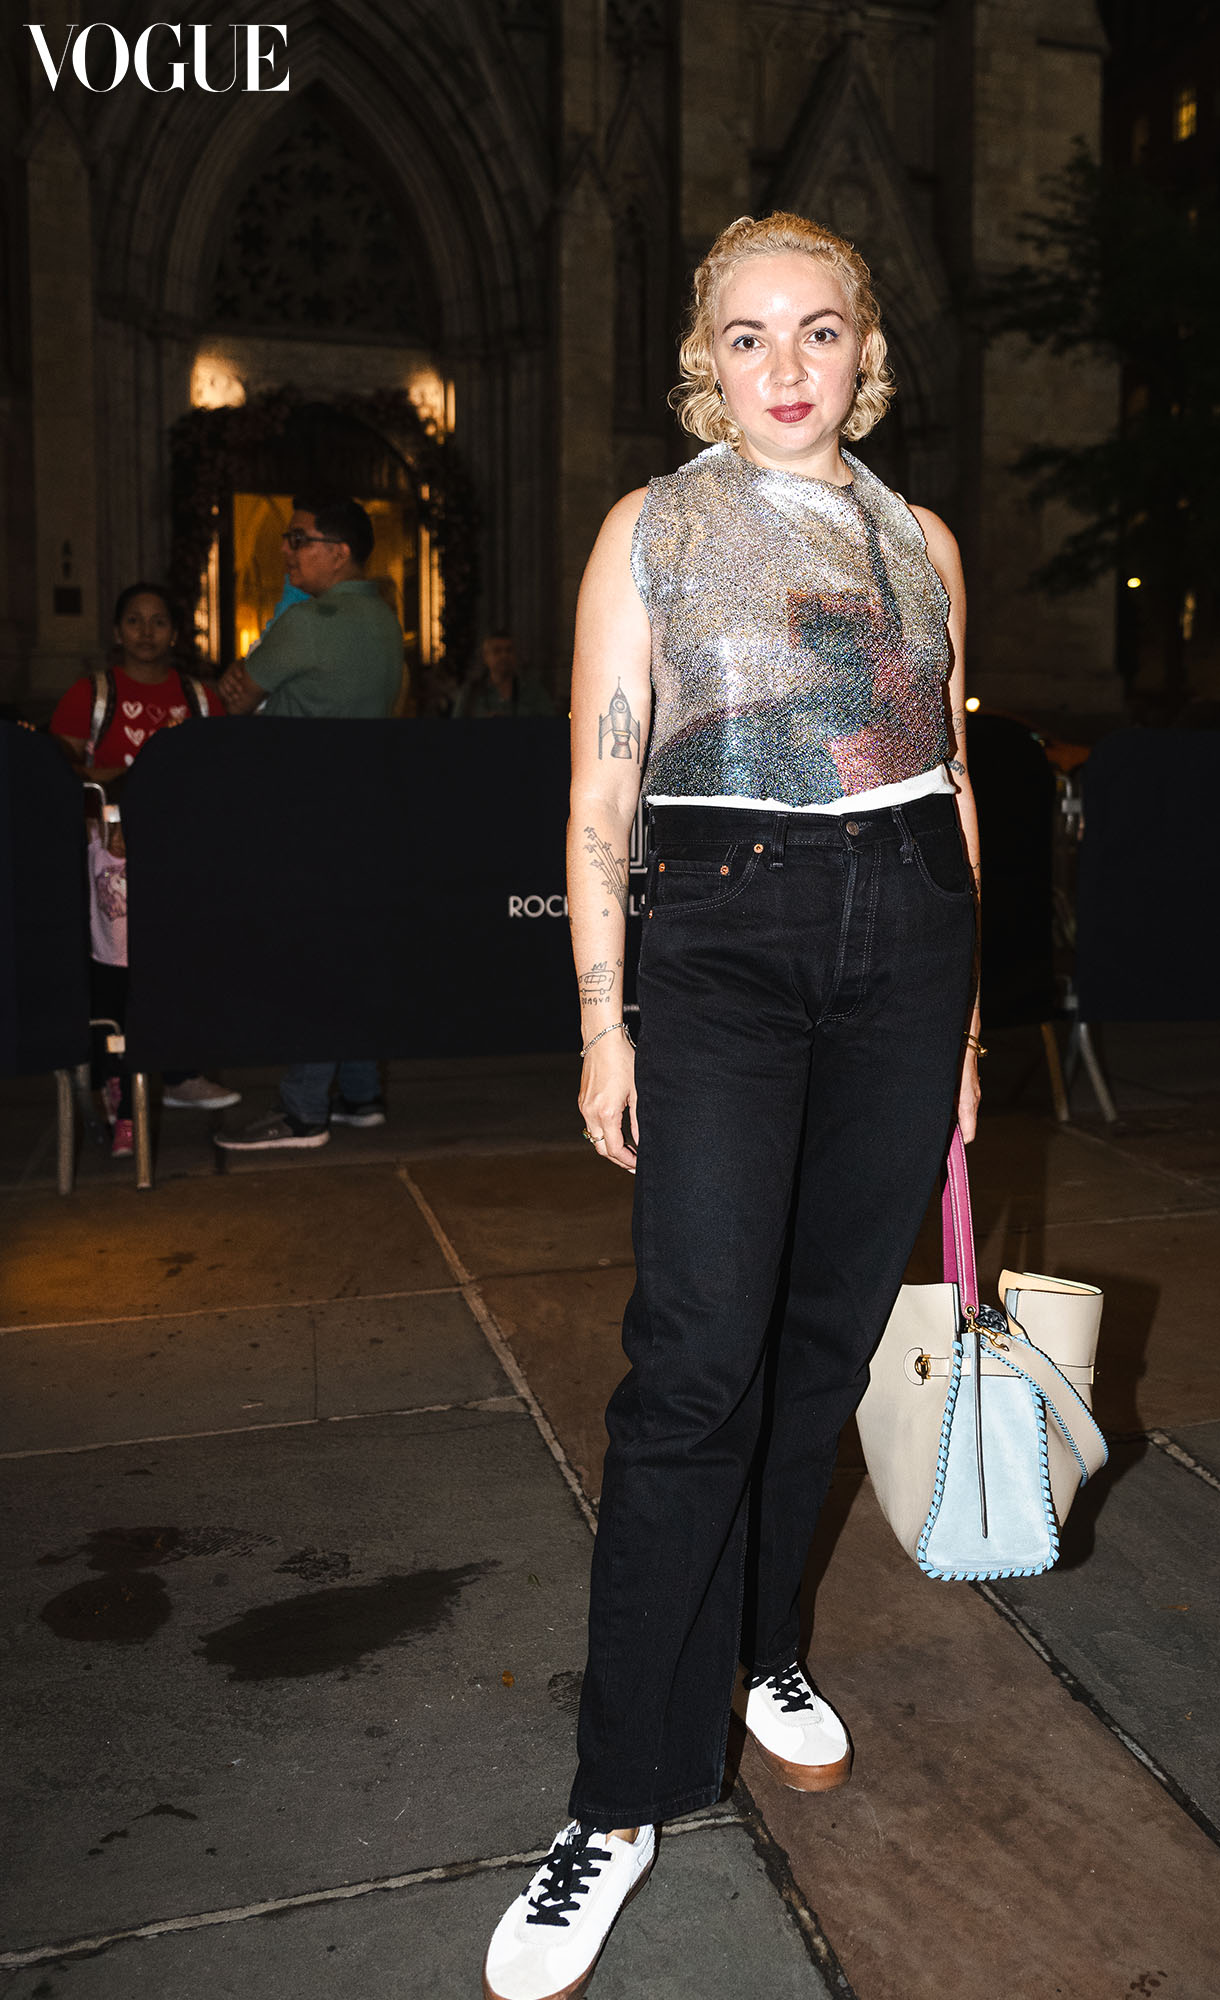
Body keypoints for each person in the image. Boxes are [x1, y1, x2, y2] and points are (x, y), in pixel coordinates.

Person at [480, 213, 982, 2000]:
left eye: (822, 332)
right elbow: (597, 804)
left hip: (908, 947)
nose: (789, 366)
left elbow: (954, 776)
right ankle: (619, 1798)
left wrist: (971, 1033)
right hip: (724, 950)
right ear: (706, 354)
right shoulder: (656, 528)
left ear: (864, 353)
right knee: (695, 1359)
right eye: (752, 335)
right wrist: (606, 1026)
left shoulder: (923, 543)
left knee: (826, 1346)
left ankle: (764, 1634)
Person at [213, 497, 404, 1150]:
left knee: (312, 957)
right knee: (345, 948)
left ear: (339, 551)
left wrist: (257, 680)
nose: (287, 550)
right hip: (362, 806)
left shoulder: (309, 623)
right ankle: (358, 1092)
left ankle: (302, 1110)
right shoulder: (382, 618)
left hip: (302, 808)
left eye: (299, 539)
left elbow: (233, 696)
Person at [49, 583, 239, 1152]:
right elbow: (63, 765)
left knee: (181, 959)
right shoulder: (93, 692)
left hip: (183, 851)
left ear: (176, 634)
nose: (147, 632)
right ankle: (115, 1083)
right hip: (113, 853)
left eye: (159, 622)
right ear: (116, 631)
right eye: (135, 621)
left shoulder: (200, 697)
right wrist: (112, 784)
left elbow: (221, 766)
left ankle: (181, 1074)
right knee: (116, 967)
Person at [452, 630, 556, 719]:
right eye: (497, 651)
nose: (504, 656)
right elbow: (456, 731)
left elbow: (550, 726)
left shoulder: (533, 692)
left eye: (509, 650)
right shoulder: (471, 693)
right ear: (486, 656)